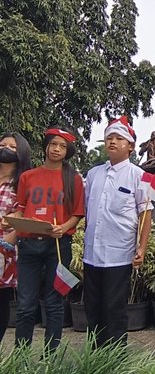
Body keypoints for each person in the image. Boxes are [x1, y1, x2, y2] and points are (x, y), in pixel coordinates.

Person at [83, 116, 153, 347]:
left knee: (114, 308)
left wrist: (141, 247)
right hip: (92, 254)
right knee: (93, 306)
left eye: (119, 138)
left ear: (131, 146)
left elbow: (145, 213)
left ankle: (115, 358)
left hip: (119, 254)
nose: (112, 142)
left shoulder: (139, 176)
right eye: (109, 138)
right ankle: (95, 356)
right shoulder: (93, 174)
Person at [12, 127, 84, 351]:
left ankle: (51, 357)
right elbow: (21, 209)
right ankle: (20, 356)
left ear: (68, 151)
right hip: (29, 245)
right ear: (46, 147)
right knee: (25, 305)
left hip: (58, 245)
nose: (57, 149)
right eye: (53, 144)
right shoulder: (28, 176)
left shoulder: (73, 179)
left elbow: (78, 213)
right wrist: (11, 221)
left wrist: (63, 228)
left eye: (62, 146)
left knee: (54, 304)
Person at [0, 132, 32, 343]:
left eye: (12, 147)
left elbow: (29, 213)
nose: (6, 149)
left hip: (5, 249)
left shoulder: (24, 183)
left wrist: (9, 239)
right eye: (2, 145)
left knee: (1, 299)